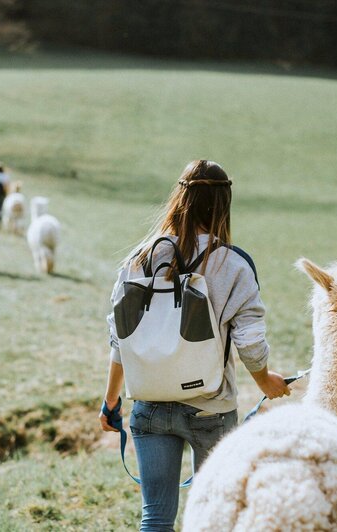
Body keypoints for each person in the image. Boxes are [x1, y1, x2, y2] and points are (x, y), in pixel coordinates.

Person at [98, 160, 291, 531]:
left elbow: (120, 337)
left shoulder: (139, 259)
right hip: (211, 410)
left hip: (150, 407)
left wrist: (110, 401)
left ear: (179, 197)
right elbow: (249, 339)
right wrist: (266, 380)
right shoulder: (234, 264)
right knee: (215, 520)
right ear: (223, 204)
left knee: (155, 519)